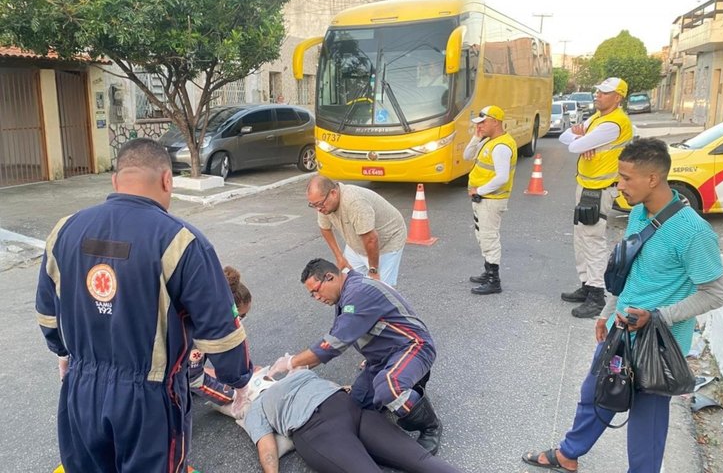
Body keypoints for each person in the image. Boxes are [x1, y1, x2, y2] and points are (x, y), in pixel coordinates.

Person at [35, 138, 254, 472]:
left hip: (81, 389)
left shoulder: (63, 231)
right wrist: (239, 379)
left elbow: (47, 314)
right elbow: (220, 332)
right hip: (148, 399)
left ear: (115, 181)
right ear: (167, 180)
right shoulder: (182, 242)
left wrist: (63, 353)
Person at [522, 138, 723, 473]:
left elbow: (715, 294)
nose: (619, 185)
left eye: (626, 178)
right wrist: (606, 312)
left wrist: (658, 316)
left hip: (657, 344)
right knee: (596, 393)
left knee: (647, 421)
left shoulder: (693, 232)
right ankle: (568, 454)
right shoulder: (638, 214)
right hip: (620, 331)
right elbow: (630, 272)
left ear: (653, 179)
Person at [269, 258, 443, 454]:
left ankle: (431, 426)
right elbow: (337, 335)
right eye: (312, 295)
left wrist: (292, 362)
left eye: (316, 291)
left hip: (413, 348)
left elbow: (333, 343)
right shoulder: (346, 294)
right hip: (382, 358)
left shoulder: (359, 293)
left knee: (389, 387)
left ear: (329, 277)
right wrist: (304, 364)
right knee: (357, 403)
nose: (316, 297)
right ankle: (406, 386)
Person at [236, 368, 461, 473]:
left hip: (319, 431)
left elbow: (267, 448)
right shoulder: (299, 375)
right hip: (348, 407)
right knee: (419, 459)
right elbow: (340, 388)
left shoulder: (256, 407)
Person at [559, 77, 634, 318]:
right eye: (598, 91)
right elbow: (564, 137)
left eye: (604, 92)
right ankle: (586, 284)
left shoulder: (613, 123)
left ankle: (596, 295)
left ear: (618, 97)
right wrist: (581, 140)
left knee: (593, 240)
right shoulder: (596, 119)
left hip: (599, 189)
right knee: (581, 238)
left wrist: (580, 141)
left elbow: (572, 146)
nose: (598, 95)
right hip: (587, 186)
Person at [307, 175, 407, 286]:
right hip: (358, 241)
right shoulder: (324, 205)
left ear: (333, 193)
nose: (318, 209)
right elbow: (325, 228)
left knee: (378, 288)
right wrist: (339, 257)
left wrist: (373, 270)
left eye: (319, 204)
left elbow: (371, 239)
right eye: (313, 205)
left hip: (387, 241)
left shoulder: (354, 202)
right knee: (347, 283)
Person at [463, 105, 517, 295]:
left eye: (483, 122)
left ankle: (494, 280)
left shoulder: (501, 146)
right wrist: (476, 137)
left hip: (491, 199)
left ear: (495, 121)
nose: (479, 126)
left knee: (489, 237)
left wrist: (480, 190)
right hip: (483, 199)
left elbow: (502, 177)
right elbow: (467, 156)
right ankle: (488, 272)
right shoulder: (489, 141)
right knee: (482, 236)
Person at [189, 266, 252, 406]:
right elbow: (193, 378)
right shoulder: (197, 330)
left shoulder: (205, 313)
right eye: (240, 316)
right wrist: (231, 396)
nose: (240, 321)